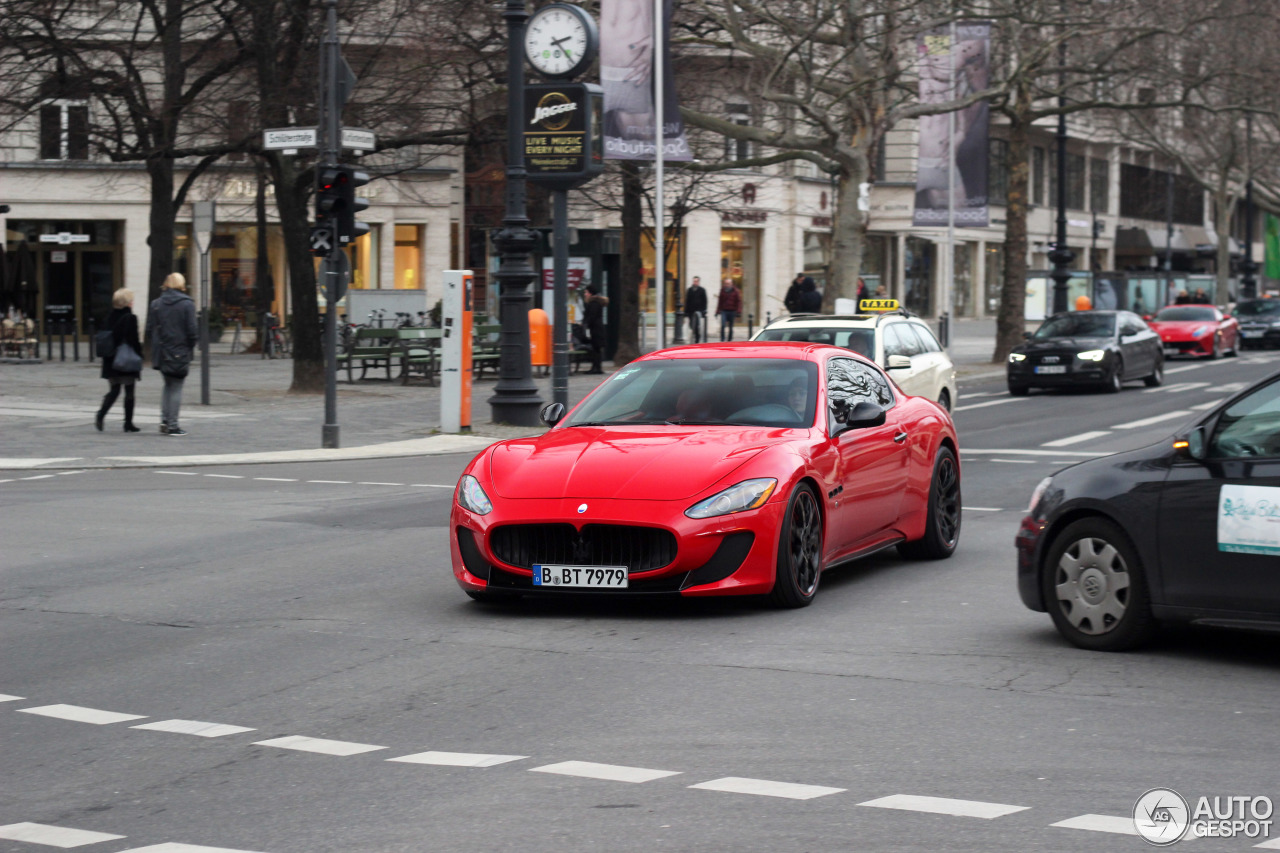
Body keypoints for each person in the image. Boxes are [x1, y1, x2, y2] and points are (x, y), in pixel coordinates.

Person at [147, 271, 198, 436]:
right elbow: (192, 331)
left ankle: (164, 420)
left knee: (167, 385)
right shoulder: (187, 304)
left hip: (162, 351)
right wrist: (189, 347)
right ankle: (173, 425)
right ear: (181, 285)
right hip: (180, 350)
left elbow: (150, 328)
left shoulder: (156, 304)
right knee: (176, 387)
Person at [95, 288, 142, 433]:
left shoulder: (108, 317)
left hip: (111, 359)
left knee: (114, 390)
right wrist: (140, 355)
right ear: (127, 303)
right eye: (131, 300)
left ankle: (101, 414)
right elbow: (133, 340)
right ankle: (128, 423)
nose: (132, 302)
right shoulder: (130, 318)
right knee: (129, 391)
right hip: (126, 358)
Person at [582, 283, 608, 374]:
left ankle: (596, 368)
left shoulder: (594, 303)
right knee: (596, 349)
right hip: (596, 329)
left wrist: (586, 324)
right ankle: (596, 367)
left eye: (586, 292)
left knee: (596, 349)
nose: (585, 294)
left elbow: (591, 317)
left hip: (595, 329)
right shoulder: (596, 303)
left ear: (590, 293)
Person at [684, 275, 707, 343]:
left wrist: (704, 310)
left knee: (696, 325)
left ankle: (697, 339)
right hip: (691, 311)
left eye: (696, 281)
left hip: (698, 311)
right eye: (694, 281)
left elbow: (704, 301)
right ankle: (694, 336)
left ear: (699, 282)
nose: (695, 282)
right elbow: (687, 301)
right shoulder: (690, 290)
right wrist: (686, 312)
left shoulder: (702, 290)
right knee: (691, 325)